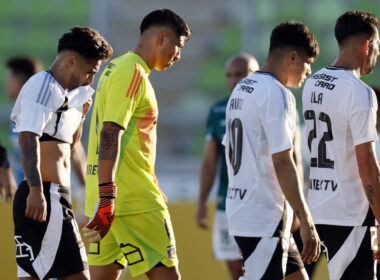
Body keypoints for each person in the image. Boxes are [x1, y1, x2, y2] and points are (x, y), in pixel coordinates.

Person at [83, 9, 191, 280]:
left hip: (103, 198)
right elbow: (110, 132)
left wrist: (104, 197)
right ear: (161, 38)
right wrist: (110, 196)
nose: (178, 56)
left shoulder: (114, 68)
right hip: (132, 200)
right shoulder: (133, 73)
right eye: (177, 47)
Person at [10, 26, 113, 280]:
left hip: (53, 195)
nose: (90, 79)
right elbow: (27, 139)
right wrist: (36, 190)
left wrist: (80, 118)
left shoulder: (66, 95)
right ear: (71, 61)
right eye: (90, 71)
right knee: (79, 275)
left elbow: (68, 147)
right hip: (44, 194)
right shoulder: (42, 85)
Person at [224, 21, 320, 280]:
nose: (309, 71)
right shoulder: (277, 94)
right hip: (263, 217)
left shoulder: (241, 89)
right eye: (308, 62)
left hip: (246, 210)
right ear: (292, 57)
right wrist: (306, 218)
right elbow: (283, 162)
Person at [302, 11, 380, 280]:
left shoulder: (311, 83)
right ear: (367, 45)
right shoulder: (360, 92)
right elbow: (367, 162)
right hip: (350, 215)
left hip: (318, 208)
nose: (377, 54)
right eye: (378, 46)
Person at [196, 53, 259, 280]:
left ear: (255, 75)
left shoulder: (267, 106)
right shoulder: (217, 111)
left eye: (240, 75)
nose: (234, 80)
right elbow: (209, 161)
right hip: (228, 202)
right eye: (229, 75)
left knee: (262, 267)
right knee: (235, 269)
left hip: (261, 202)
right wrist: (202, 201)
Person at [5, 56, 87, 187]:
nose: (6, 83)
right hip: (26, 191)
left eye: (9, 77)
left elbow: (74, 150)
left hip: (47, 192)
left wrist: (86, 189)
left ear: (19, 80)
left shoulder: (44, 109)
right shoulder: (18, 113)